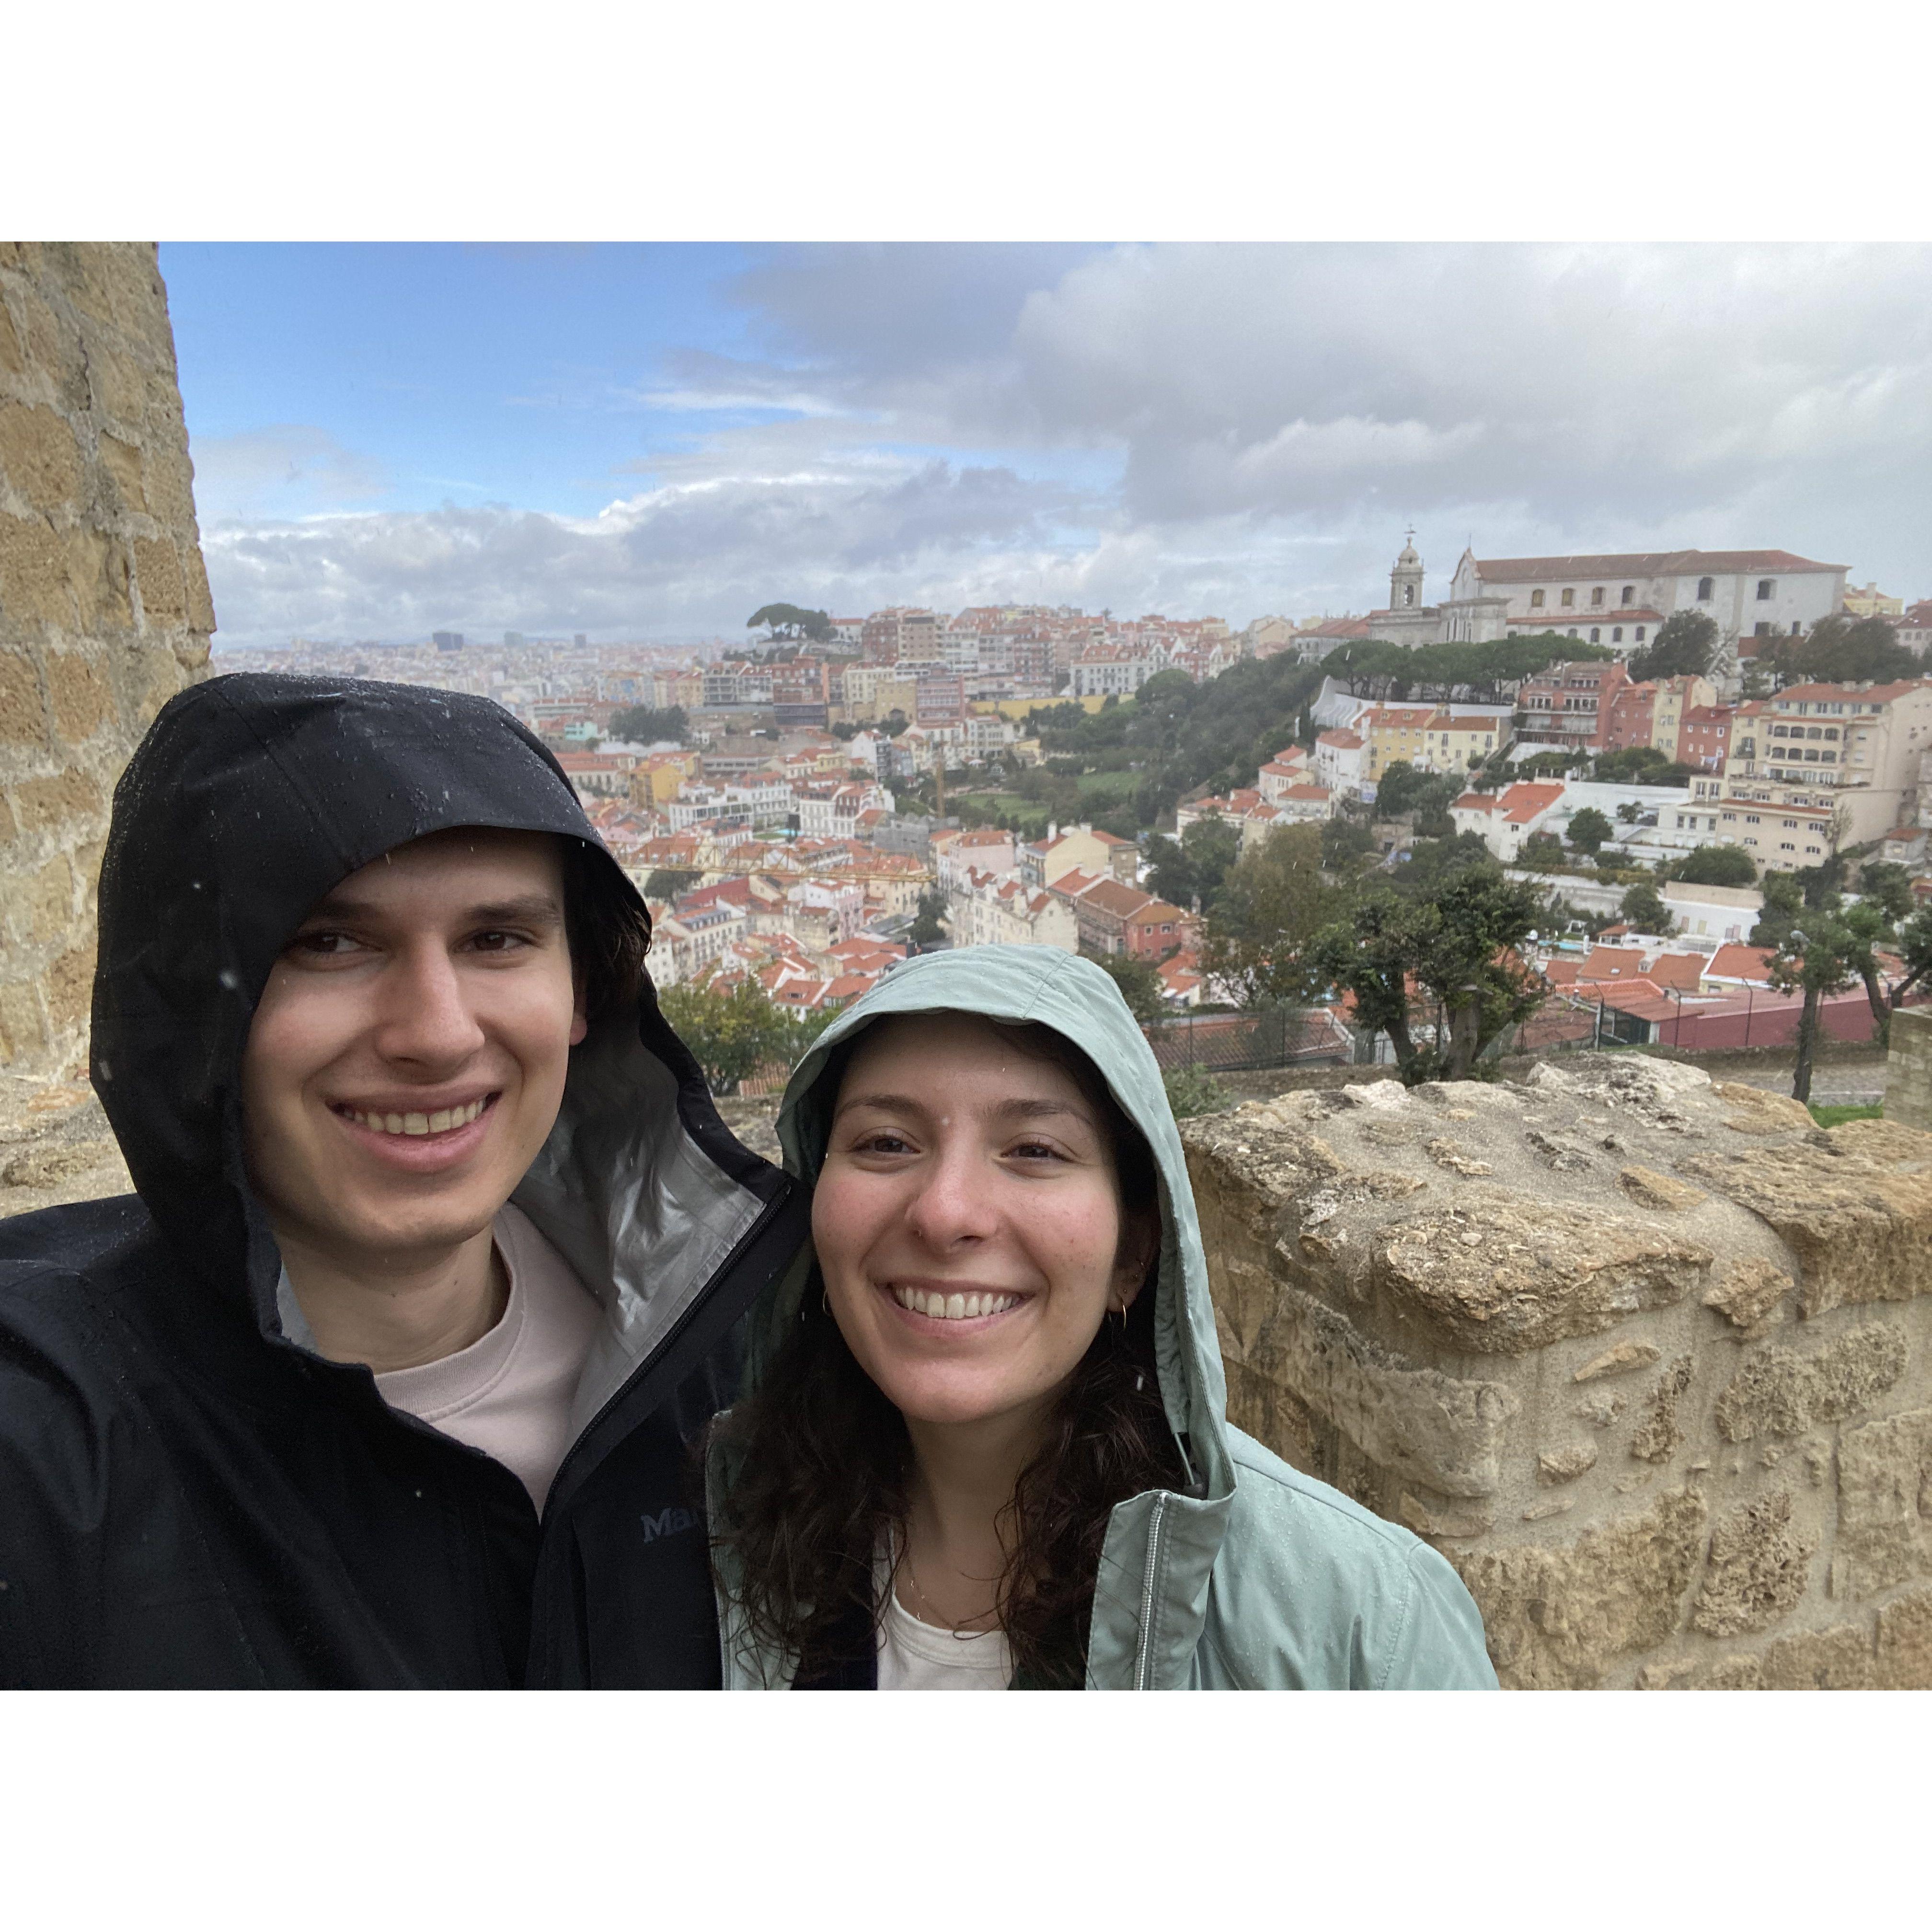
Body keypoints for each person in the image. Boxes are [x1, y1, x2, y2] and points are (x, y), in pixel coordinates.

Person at [0, 673, 805, 1688]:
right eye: (329, 943)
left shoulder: (744, 1351)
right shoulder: (52, 1448)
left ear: (584, 991)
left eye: (497, 939)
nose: (435, 1033)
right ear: (193, 1013)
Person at [707, 945, 1497, 1689]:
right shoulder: (714, 1528)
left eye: (1036, 1151)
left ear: (1134, 1254)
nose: (945, 1213)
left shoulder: (1367, 1623)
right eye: (885, 1142)